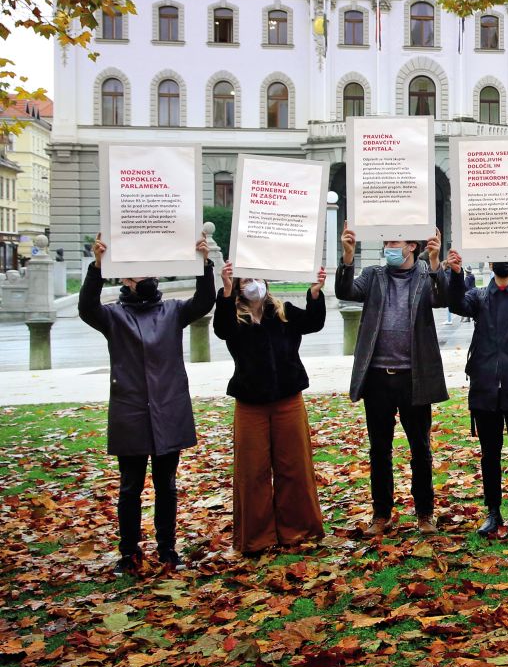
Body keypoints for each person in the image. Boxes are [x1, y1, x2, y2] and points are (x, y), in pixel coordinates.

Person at [80, 231, 214, 574]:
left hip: (169, 409)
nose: (148, 276)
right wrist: (97, 267)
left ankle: (168, 549)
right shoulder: (113, 316)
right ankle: (129, 553)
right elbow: (87, 308)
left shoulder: (172, 311)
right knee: (130, 487)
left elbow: (203, 301)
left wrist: (204, 262)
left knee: (166, 485)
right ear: (124, 277)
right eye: (140, 271)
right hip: (131, 412)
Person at [335, 224, 447, 536]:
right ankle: (381, 513)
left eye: (394, 241)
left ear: (412, 245)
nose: (389, 247)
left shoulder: (426, 274)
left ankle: (425, 513)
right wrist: (347, 256)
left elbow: (443, 298)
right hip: (377, 379)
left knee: (420, 449)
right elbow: (346, 291)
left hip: (414, 378)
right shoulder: (373, 276)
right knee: (379, 449)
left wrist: (437, 263)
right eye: (386, 241)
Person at [213, 264, 328, 555]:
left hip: (287, 399)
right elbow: (221, 330)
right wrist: (225, 293)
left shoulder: (283, 311)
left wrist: (314, 293)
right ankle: (257, 537)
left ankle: (297, 530)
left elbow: (314, 323)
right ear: (239, 287)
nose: (253, 284)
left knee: (294, 466)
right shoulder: (234, 317)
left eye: (256, 278)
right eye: (246, 280)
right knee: (253, 471)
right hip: (251, 404)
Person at [445, 248, 508, 537]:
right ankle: (493, 511)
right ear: (490, 262)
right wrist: (455, 274)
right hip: (485, 385)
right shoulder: (479, 296)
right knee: (489, 453)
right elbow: (454, 303)